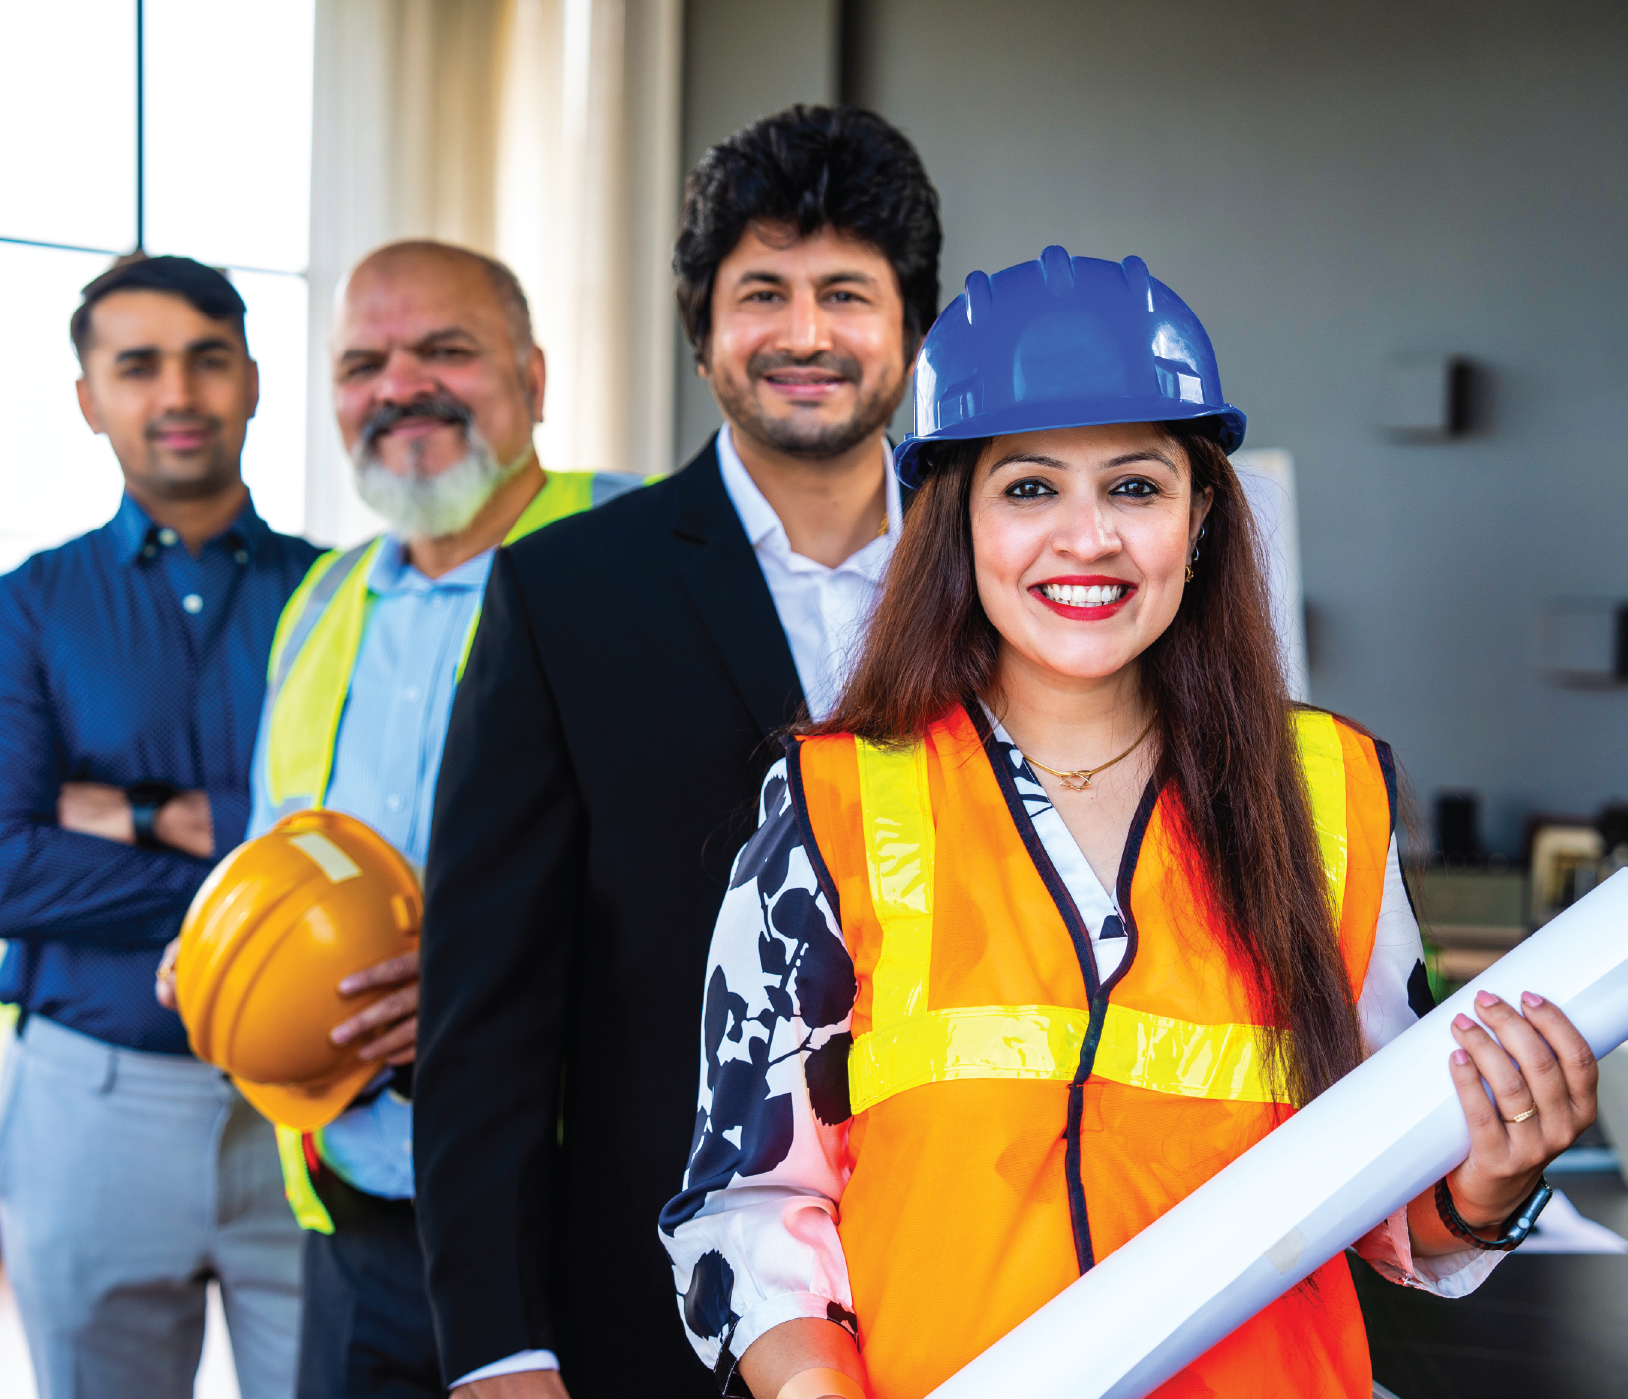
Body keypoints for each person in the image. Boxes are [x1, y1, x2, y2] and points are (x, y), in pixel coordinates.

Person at [660, 248, 1599, 1399]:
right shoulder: (835, 800)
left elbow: (1392, 1201)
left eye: (1135, 486)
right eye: (1029, 487)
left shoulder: (1325, 796)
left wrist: (1487, 1182)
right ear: (955, 518)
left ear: (1202, 513)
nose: (1087, 537)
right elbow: (746, 1208)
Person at [414, 106, 942, 1399]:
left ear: (911, 326)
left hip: (976, 1264)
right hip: (659, 1296)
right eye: (761, 291)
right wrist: (498, 1340)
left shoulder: (1010, 567)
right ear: (702, 331)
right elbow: (484, 1010)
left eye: (846, 293)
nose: (806, 334)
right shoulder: (565, 591)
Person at [179, 238, 640, 1399]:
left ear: (532, 380)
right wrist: (223, 960)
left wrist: (491, 987)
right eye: (363, 362)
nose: (398, 388)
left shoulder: (645, 558)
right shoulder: (319, 601)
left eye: (445, 351)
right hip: (359, 1206)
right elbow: (284, 859)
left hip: (582, 1212)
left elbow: (739, 890)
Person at [0, 255, 321, 1399]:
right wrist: (270, 881)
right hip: (97, 1102)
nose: (176, 393)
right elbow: (5, 863)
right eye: (137, 366)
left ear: (252, 382)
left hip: (311, 1103)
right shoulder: (27, 604)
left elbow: (388, 834)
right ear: (90, 399)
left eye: (206, 359)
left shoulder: (339, 594)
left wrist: (128, 814)